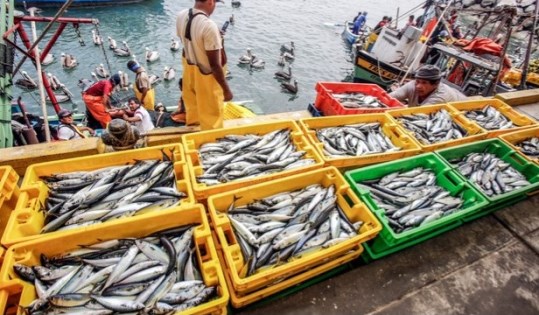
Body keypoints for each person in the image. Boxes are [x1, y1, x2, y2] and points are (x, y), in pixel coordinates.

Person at [176, 0, 233, 130]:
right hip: (207, 80)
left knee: (193, 111)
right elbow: (215, 65)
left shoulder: (181, 15)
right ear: (210, 2)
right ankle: (210, 143)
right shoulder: (208, 25)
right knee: (212, 119)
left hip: (189, 73)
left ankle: (193, 135)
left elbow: (186, 43)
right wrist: (226, 90)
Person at [389, 65, 466, 107]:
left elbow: (418, 115)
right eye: (417, 81)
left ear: (435, 84)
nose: (418, 86)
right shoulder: (412, 85)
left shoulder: (440, 97)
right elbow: (391, 96)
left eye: (424, 83)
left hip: (463, 107)